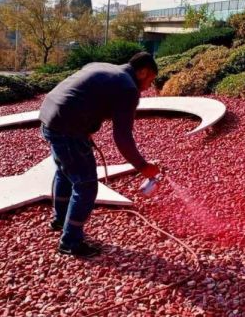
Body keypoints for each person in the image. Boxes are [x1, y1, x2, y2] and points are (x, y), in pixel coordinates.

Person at [39, 52, 161, 257]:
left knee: (65, 172)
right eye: (151, 80)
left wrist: (86, 125)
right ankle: (70, 242)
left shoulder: (103, 67)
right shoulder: (128, 89)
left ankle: (60, 221)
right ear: (142, 72)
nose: (149, 86)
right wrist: (142, 166)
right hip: (67, 127)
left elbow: (83, 95)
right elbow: (122, 137)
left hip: (48, 116)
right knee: (85, 185)